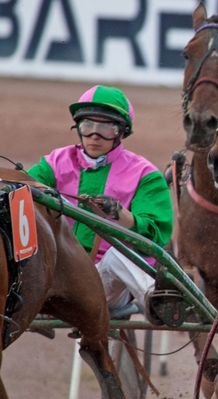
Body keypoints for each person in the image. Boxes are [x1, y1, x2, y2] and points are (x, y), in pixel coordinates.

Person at [28, 85, 173, 318]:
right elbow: (24, 188)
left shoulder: (145, 175)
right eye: (88, 126)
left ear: (122, 131)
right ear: (78, 127)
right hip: (56, 278)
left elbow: (156, 236)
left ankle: (158, 302)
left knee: (117, 254)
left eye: (106, 127)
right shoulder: (55, 162)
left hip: (104, 286)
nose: (95, 135)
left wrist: (121, 215)